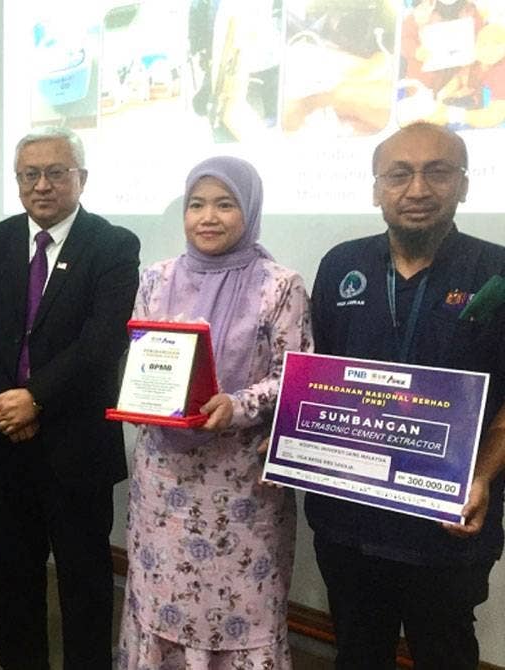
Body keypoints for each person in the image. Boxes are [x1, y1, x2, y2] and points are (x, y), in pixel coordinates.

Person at [307, 121, 505, 669]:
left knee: (445, 654)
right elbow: (316, 380)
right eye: (399, 174)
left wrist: (483, 475)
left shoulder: (497, 272)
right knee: (358, 651)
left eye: (437, 172)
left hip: (446, 522)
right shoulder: (341, 265)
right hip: (349, 520)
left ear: (463, 184)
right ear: (377, 188)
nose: (417, 189)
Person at [115, 156, 312, 669]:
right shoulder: (156, 278)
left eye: (225, 204)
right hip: (164, 481)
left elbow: (297, 379)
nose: (208, 216)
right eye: (197, 204)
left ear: (249, 209)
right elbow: (144, 356)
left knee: (243, 605)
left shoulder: (280, 285)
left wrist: (239, 405)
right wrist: (139, 397)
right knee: (160, 601)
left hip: (241, 485)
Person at [0, 126, 141, 669]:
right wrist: (3, 404)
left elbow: (103, 341)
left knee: (84, 578)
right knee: (9, 575)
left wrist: (33, 399)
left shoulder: (113, 245)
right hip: (3, 441)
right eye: (29, 174)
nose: (42, 185)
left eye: (56, 172)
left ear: (81, 178)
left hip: (75, 445)